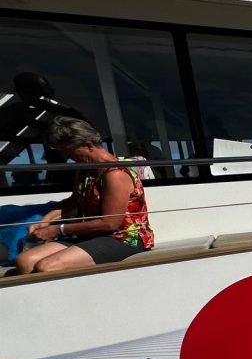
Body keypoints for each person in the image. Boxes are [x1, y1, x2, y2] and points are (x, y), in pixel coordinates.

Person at [14, 116, 154, 274]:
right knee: (24, 261)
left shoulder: (115, 174)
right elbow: (74, 201)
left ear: (88, 146)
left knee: (46, 267)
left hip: (124, 238)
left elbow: (110, 223)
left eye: (69, 152)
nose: (67, 157)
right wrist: (46, 220)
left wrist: (57, 230)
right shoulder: (84, 168)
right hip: (90, 235)